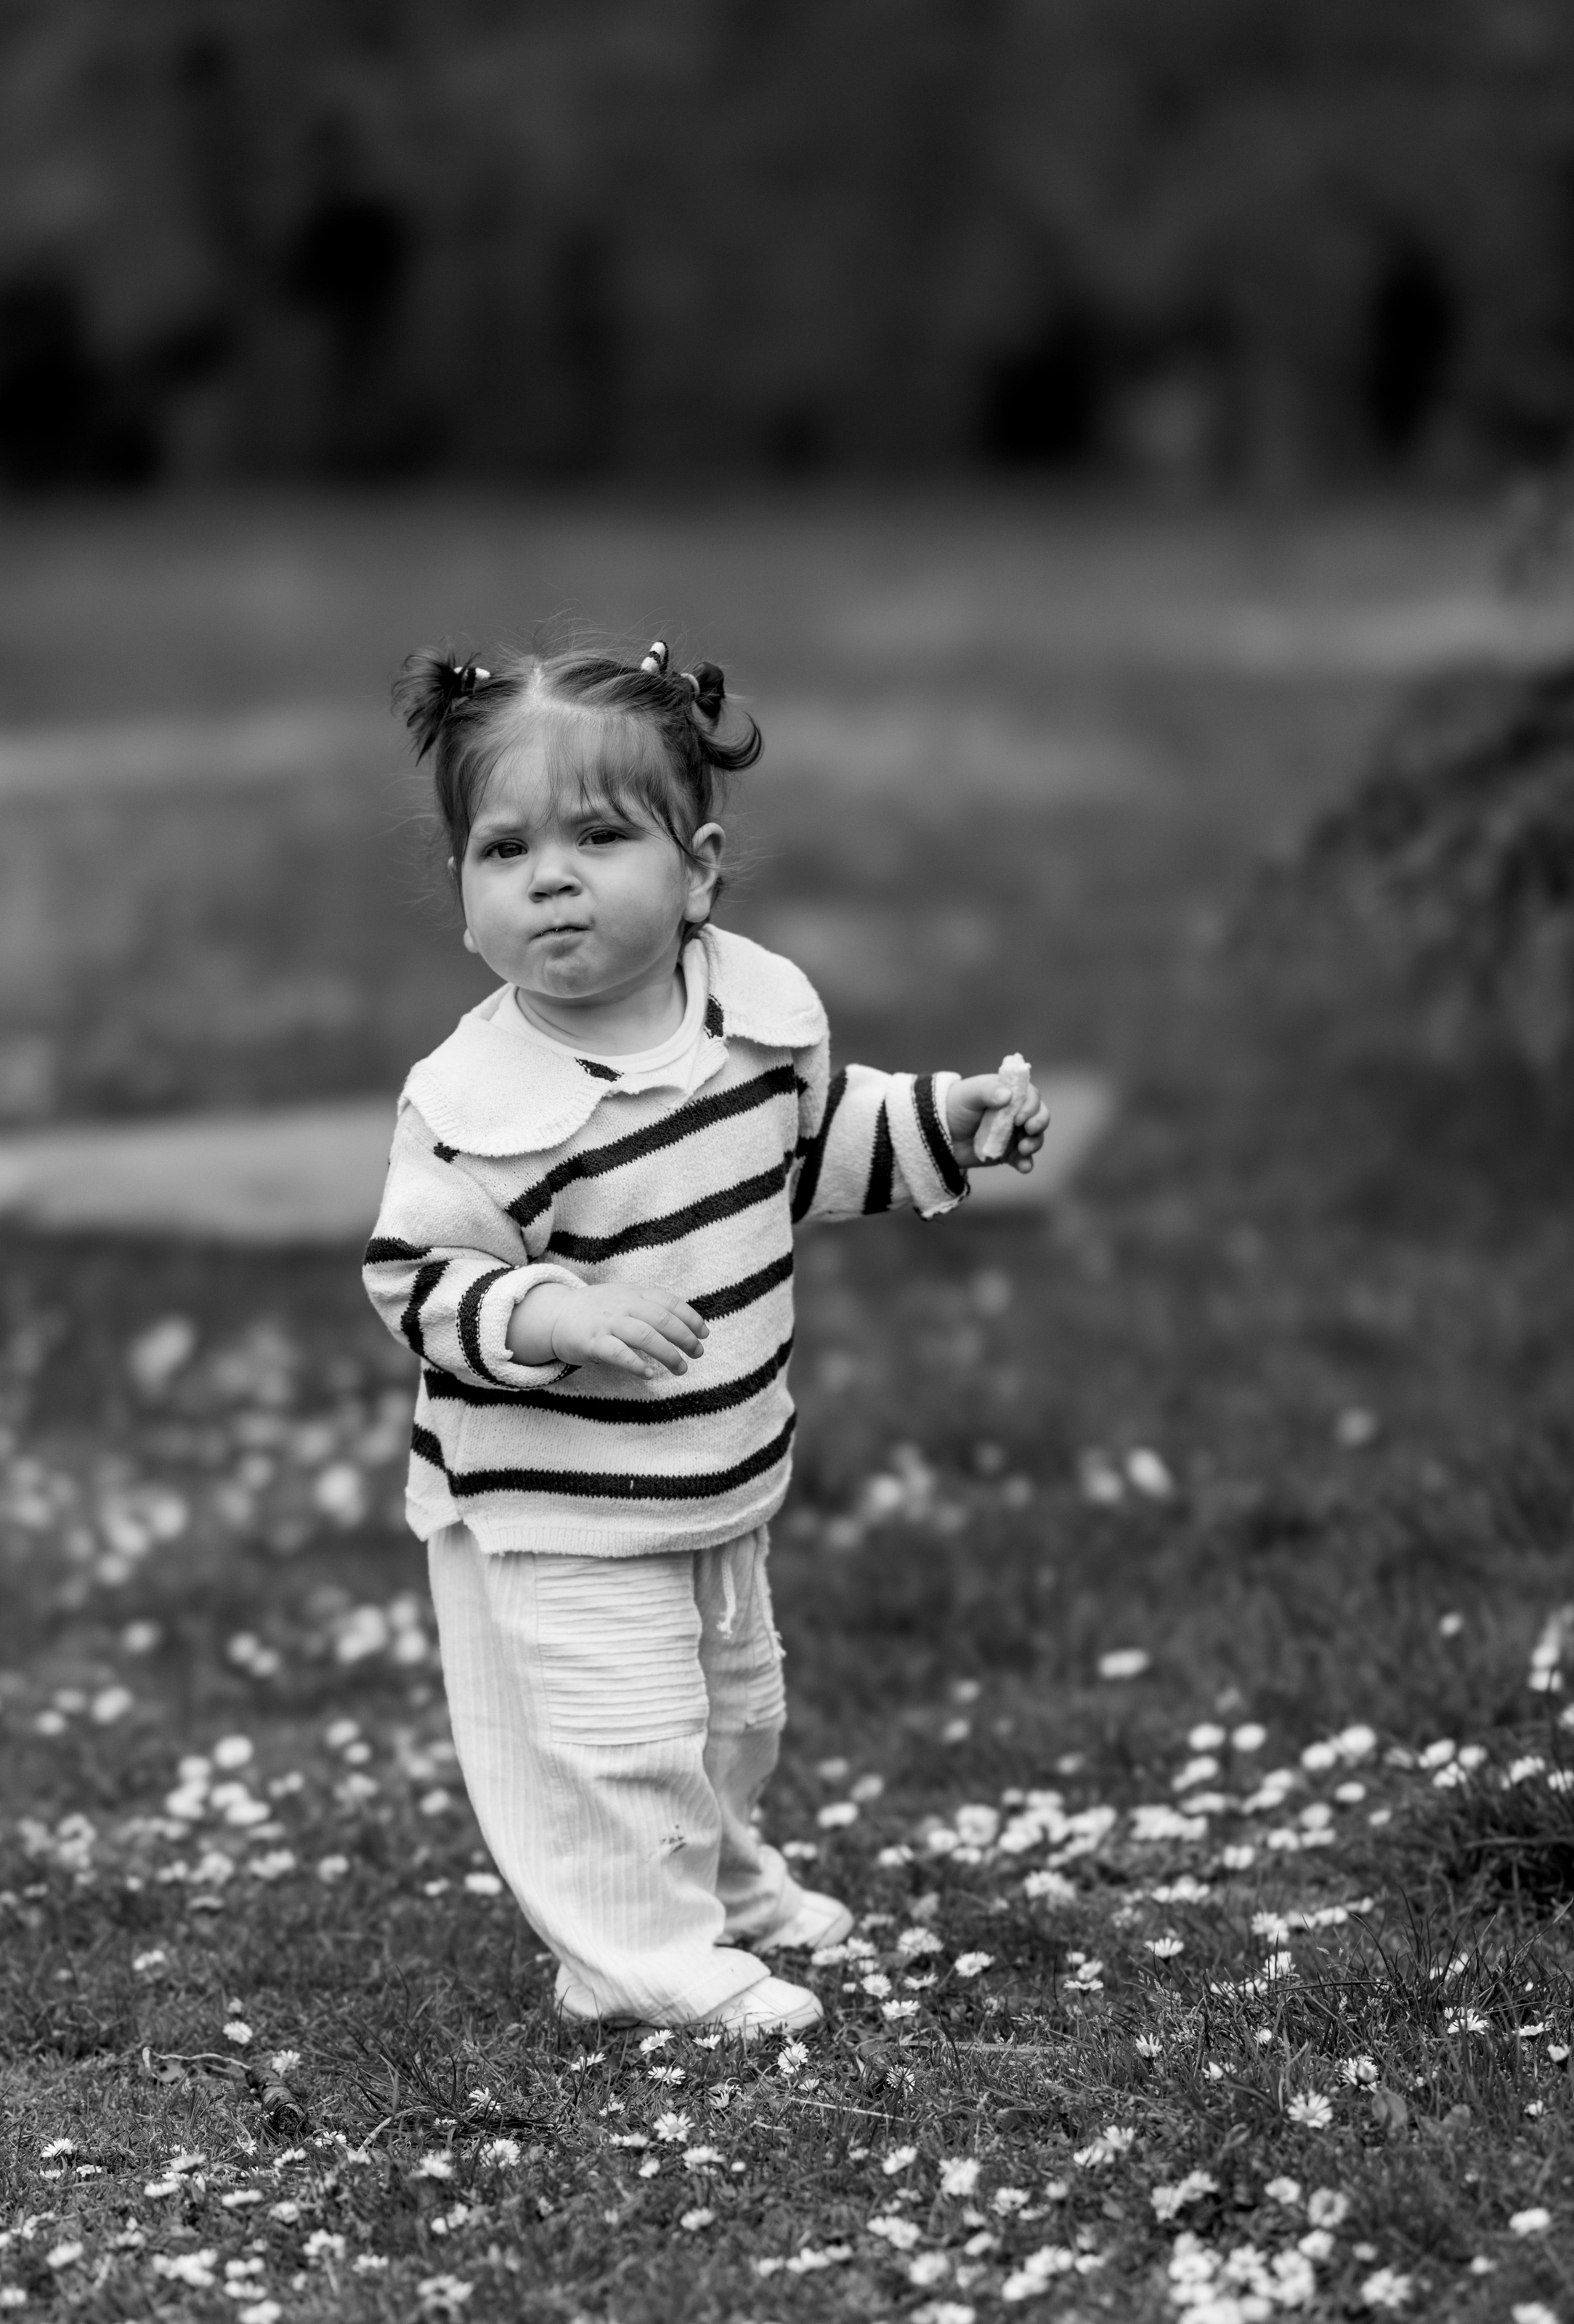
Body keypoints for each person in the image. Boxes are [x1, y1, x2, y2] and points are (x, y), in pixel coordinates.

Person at [363, 639, 1047, 2038]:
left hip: (714, 1460)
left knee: (738, 1710)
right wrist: (564, 1310)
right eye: (505, 850)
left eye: (601, 837)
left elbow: (805, 1149)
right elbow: (417, 1281)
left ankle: (718, 1878)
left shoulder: (747, 1020)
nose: (551, 874)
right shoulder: (477, 1100)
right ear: (465, 895)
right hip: (558, 1498)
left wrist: (946, 1127)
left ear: (701, 868)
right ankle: (638, 1951)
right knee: (623, 1735)